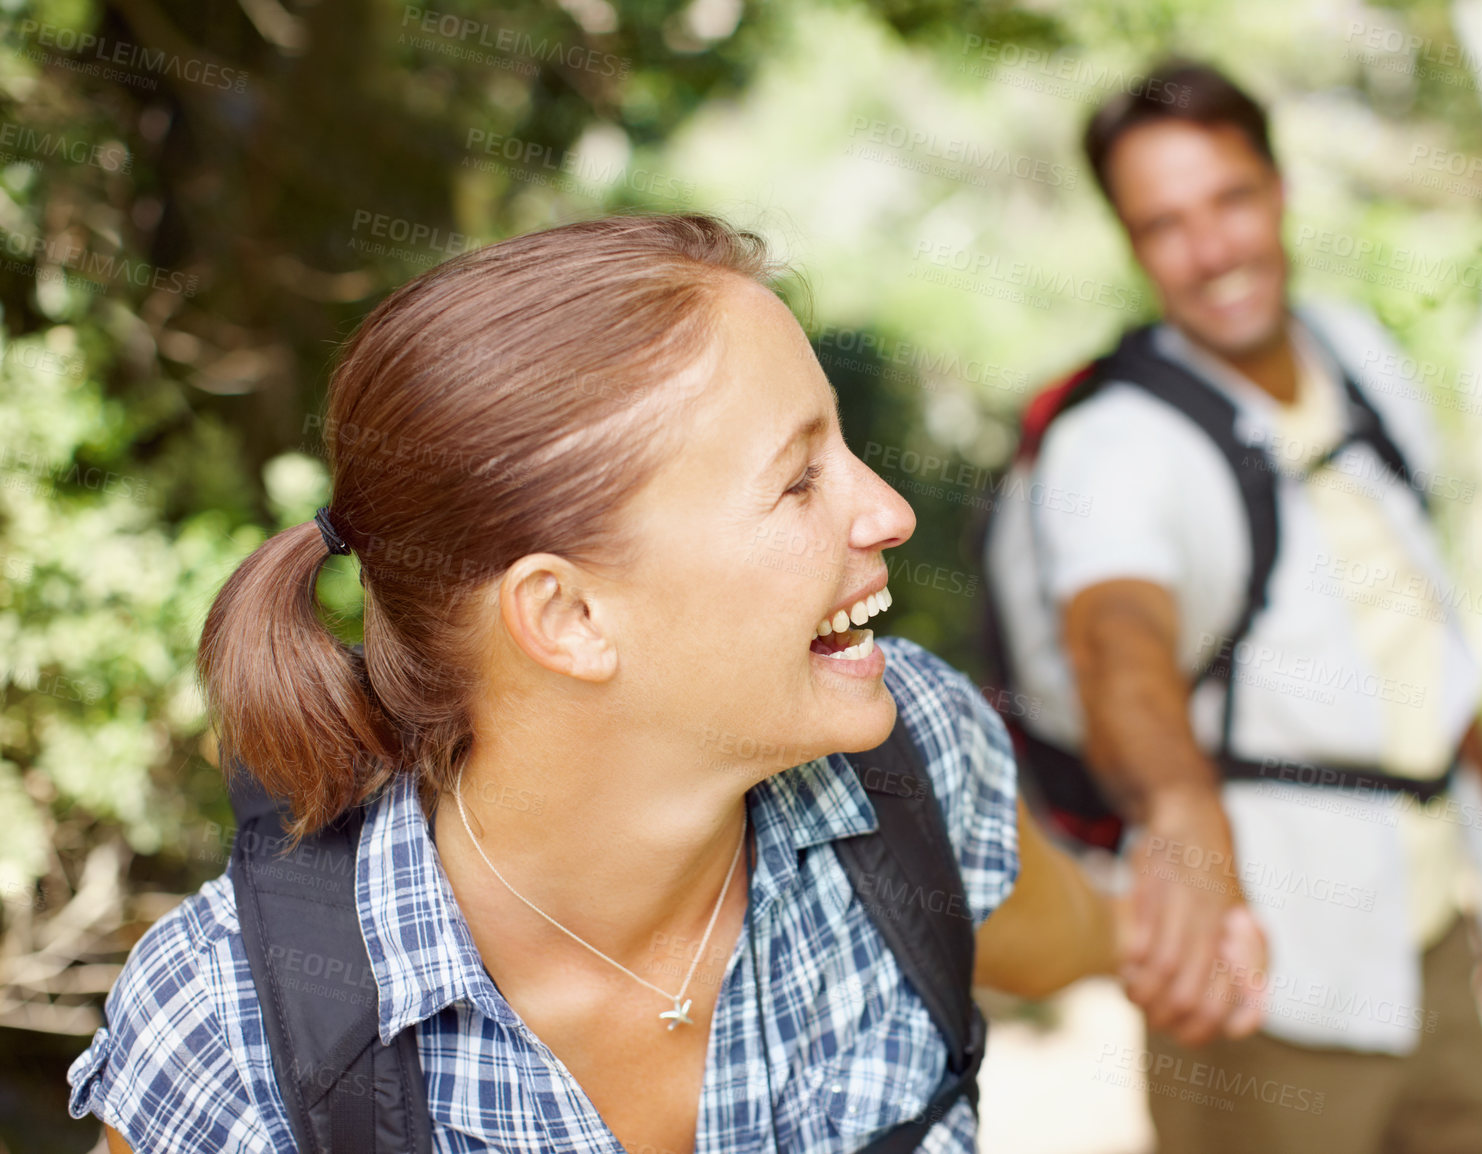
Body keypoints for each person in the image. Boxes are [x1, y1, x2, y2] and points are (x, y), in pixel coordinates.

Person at [64, 216, 1230, 1154]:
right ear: (566, 617)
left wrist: (1195, 924)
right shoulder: (238, 1042)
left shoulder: (911, 754)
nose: (888, 511)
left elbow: (1065, 928)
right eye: (797, 480)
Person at [983, 61, 1482, 1153]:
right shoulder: (1113, 444)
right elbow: (1118, 644)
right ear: (1130, 244)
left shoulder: (1361, 356)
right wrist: (1185, 817)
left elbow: (1421, 638)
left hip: (1431, 938)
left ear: (1279, 187)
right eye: (1163, 225)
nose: (1211, 251)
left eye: (1231, 200)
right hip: (1258, 972)